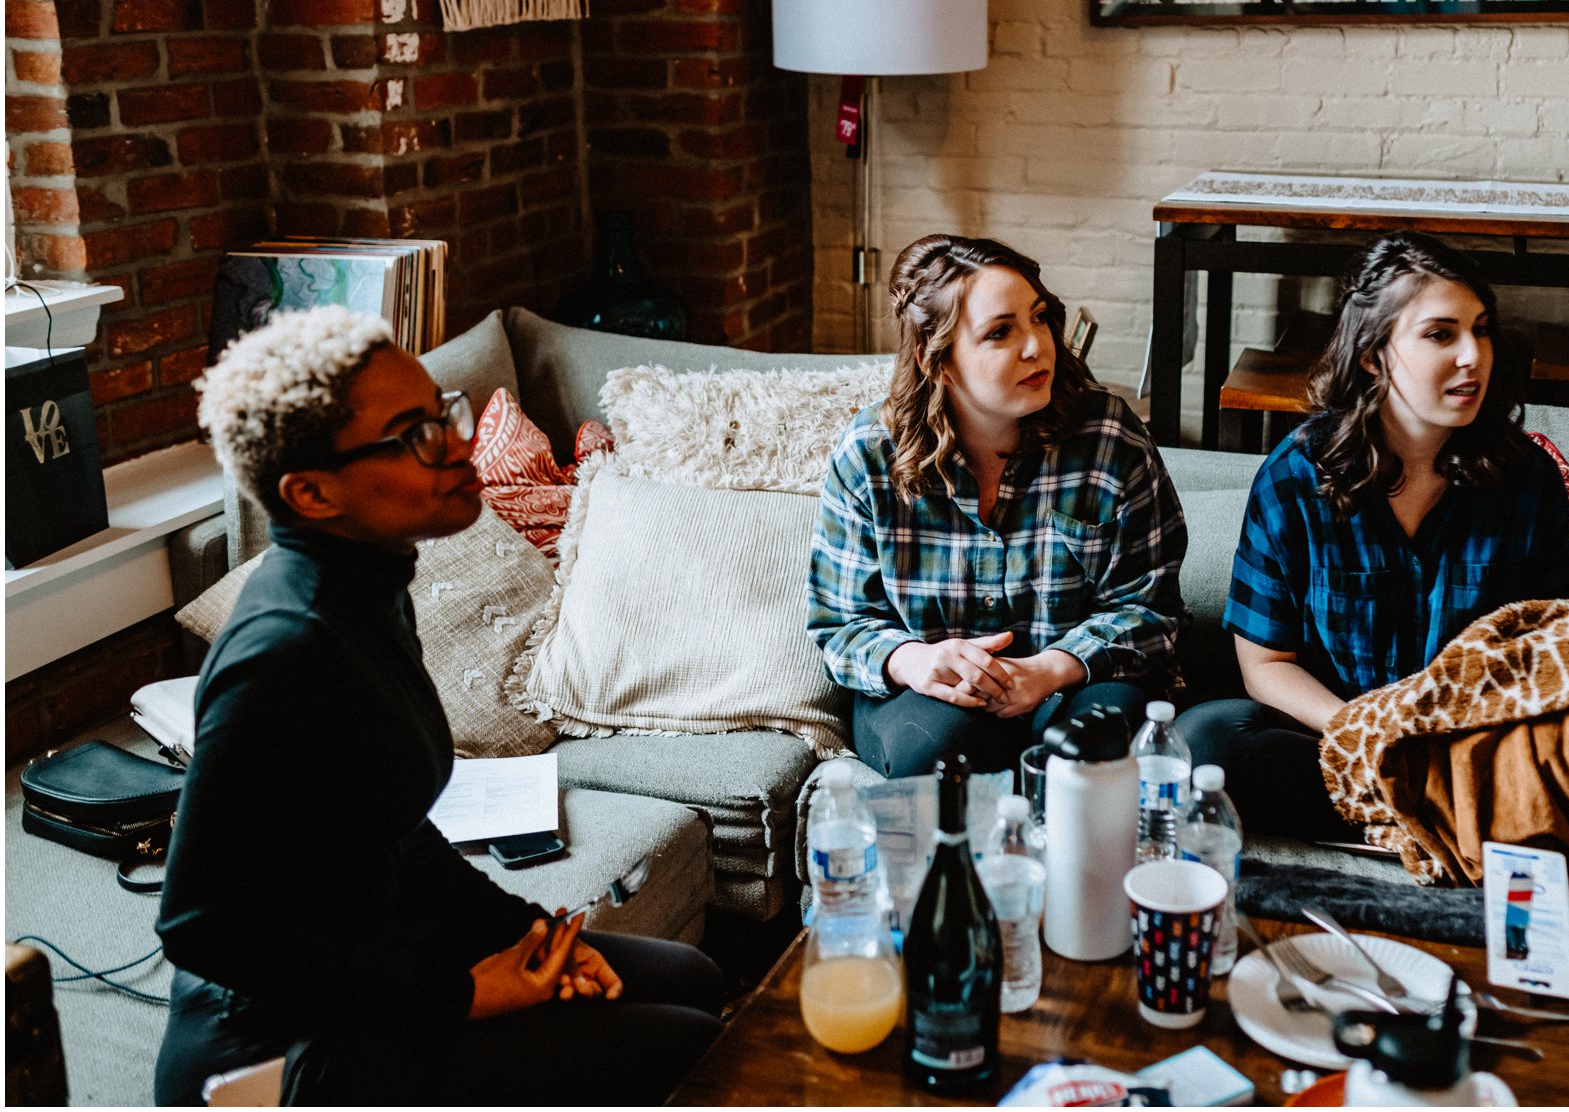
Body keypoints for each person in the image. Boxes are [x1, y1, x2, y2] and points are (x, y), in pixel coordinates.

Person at [154, 308, 723, 1106]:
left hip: (384, 956)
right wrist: (459, 994)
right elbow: (200, 925)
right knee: (689, 1047)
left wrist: (523, 931)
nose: (458, 444)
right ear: (311, 491)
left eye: (442, 411)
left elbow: (392, 830)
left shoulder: (376, 581)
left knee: (695, 978)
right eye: (413, 434)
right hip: (279, 1050)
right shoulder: (286, 651)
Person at [1179, 234, 1569, 839]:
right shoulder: (1295, 475)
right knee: (1204, 746)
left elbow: (1549, 653)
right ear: (1372, 355)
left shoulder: (1526, 478)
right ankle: (1435, 819)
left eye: (1482, 329)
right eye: (1441, 334)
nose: (1474, 355)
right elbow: (1265, 665)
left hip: (1477, 743)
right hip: (1337, 736)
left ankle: (1431, 814)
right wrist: (1371, 735)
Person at [808, 234, 1187, 779]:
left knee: (1091, 748)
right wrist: (914, 661)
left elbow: (1152, 609)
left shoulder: (1108, 439)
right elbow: (839, 623)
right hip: (928, 699)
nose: (1037, 347)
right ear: (936, 359)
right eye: (1000, 333)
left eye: (1038, 319)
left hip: (1072, 685)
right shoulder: (870, 455)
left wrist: (1050, 668)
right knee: (934, 751)